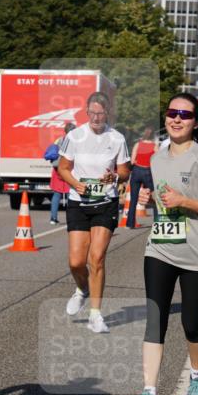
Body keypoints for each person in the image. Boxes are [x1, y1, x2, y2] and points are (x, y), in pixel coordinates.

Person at [127, 93, 198, 395]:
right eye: (172, 112)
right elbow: (164, 200)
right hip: (160, 248)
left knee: (191, 324)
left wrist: (184, 200)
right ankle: (149, 393)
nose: (177, 118)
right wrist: (150, 199)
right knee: (155, 319)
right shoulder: (156, 158)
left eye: (185, 114)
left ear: (196, 122)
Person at [58, 92, 131, 333]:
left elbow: (124, 171)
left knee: (96, 258)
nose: (96, 117)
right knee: (76, 262)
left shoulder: (117, 138)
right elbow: (63, 168)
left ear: (107, 112)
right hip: (79, 201)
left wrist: (116, 176)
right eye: (92, 113)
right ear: (86, 111)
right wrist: (75, 183)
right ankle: (82, 288)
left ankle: (96, 315)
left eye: (100, 113)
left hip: (105, 201)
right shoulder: (75, 136)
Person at [126, 126, 157, 228]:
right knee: (154, 197)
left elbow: (132, 160)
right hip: (148, 171)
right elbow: (157, 161)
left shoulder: (137, 144)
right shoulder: (155, 146)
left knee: (133, 199)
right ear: (153, 136)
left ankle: (130, 224)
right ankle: (157, 222)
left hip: (136, 171)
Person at [47, 123, 74, 225]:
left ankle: (53, 218)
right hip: (68, 170)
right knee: (70, 194)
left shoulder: (58, 140)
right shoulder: (74, 141)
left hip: (57, 169)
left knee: (56, 194)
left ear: (65, 131)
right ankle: (71, 218)